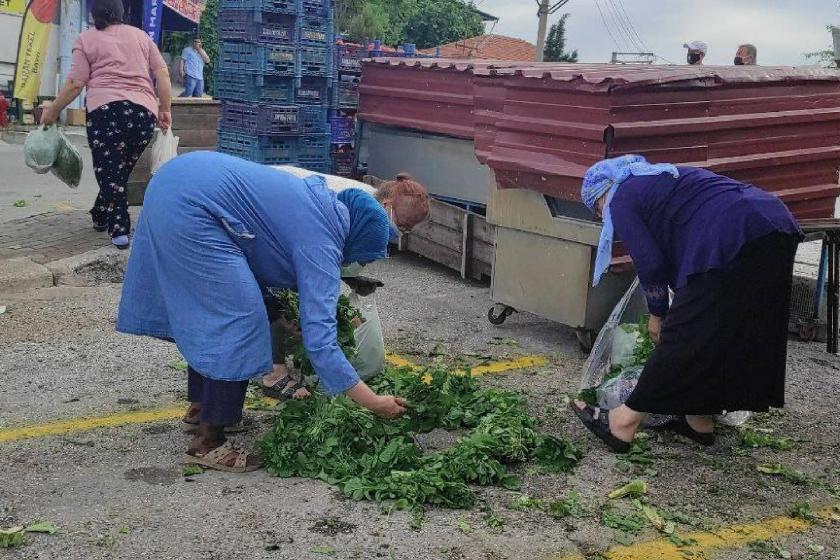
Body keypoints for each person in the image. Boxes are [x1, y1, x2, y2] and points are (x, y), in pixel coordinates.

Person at [117, 151, 408, 473]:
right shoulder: (323, 244)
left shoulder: (326, 204)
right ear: (352, 242)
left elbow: (254, 264)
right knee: (238, 322)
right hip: (193, 207)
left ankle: (201, 409)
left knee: (225, 310)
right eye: (360, 257)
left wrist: (282, 315)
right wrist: (373, 402)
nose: (356, 264)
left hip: (175, 181)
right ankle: (208, 443)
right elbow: (321, 342)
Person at [570, 155, 802, 453]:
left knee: (682, 335)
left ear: (603, 194)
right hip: (775, 224)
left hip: (734, 233)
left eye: (598, 209)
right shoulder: (659, 178)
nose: (603, 216)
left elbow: (651, 264)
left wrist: (658, 315)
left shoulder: (622, 198)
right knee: (724, 327)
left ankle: (623, 422)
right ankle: (699, 420)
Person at [259, 170, 431, 398]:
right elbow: (323, 251)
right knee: (280, 294)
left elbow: (336, 253)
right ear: (388, 205)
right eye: (404, 224)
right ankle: (274, 372)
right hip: (273, 210)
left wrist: (351, 277)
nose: (402, 231)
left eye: (408, 229)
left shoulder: (370, 208)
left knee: (295, 295)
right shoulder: (347, 202)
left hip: (298, 222)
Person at [41, 0, 172, 249]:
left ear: (94, 13)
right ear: (121, 13)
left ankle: (120, 229)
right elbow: (162, 74)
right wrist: (164, 109)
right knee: (117, 171)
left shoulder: (86, 39)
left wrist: (53, 110)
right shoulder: (142, 37)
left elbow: (75, 84)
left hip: (106, 111)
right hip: (142, 114)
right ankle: (101, 213)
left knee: (109, 170)